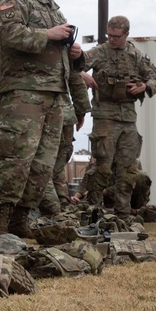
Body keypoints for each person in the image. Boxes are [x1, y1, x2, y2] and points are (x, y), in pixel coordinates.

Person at [0, 0, 82, 238]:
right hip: (23, 94)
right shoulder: (15, 1)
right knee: (17, 160)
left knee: (43, 165)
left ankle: (21, 219)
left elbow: (61, 51)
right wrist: (48, 35)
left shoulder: (55, 10)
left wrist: (75, 53)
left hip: (55, 96)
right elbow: (10, 34)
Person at [80, 15, 156, 215]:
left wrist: (144, 86)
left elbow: (153, 77)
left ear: (126, 34)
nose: (112, 39)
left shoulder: (135, 55)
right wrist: (84, 74)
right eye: (109, 35)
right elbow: (75, 67)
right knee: (102, 167)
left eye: (116, 36)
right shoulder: (99, 52)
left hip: (128, 117)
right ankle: (92, 212)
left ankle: (123, 215)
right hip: (105, 116)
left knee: (128, 170)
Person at [38, 70, 91, 218]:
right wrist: (80, 112)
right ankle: (62, 207)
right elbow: (77, 81)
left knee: (44, 165)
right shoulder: (66, 53)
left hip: (45, 112)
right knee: (57, 167)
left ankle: (54, 210)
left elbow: (76, 79)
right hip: (66, 114)